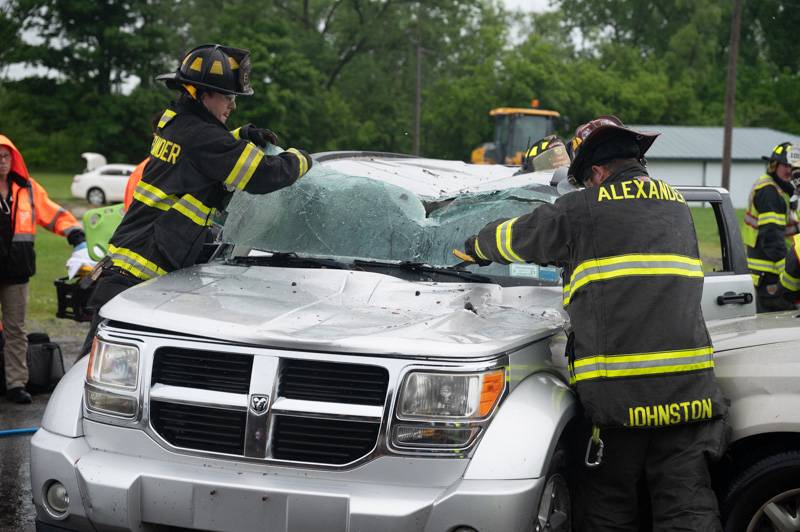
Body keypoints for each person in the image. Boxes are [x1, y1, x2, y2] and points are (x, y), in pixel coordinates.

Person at [461, 116, 727, 531]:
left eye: (585, 180)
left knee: (608, 511)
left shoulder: (583, 208)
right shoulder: (676, 204)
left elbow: (519, 237)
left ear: (598, 173)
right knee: (687, 510)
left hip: (619, 404)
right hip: (689, 395)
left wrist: (469, 246)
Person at [80, 43, 313, 354]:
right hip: (140, 277)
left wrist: (238, 136)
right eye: (228, 97)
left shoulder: (173, 120)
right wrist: (303, 159)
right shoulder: (202, 137)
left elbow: (197, 157)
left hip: (128, 269)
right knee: (101, 374)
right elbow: (264, 175)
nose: (232, 106)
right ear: (203, 94)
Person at [0, 135, 91, 403]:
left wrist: (75, 234)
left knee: (16, 330)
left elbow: (53, 213)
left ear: (13, 159)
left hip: (17, 273)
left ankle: (16, 384)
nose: (2, 162)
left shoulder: (26, 189)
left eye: (6, 156)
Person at [743, 142, 800, 312]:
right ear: (774, 165)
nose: (789, 170)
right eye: (785, 165)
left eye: (794, 167)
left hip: (769, 272)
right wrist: (789, 271)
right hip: (770, 275)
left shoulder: (783, 191)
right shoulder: (770, 193)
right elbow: (772, 238)